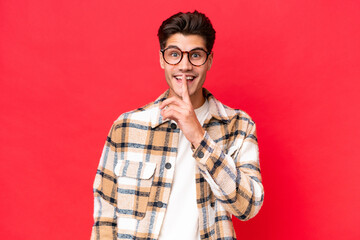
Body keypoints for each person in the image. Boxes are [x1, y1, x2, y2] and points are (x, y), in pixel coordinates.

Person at [91, 10, 264, 240]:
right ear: (162, 59)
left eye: (195, 55)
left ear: (209, 60)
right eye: (174, 54)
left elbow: (248, 206)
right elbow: (104, 219)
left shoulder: (238, 126)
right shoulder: (127, 128)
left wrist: (199, 136)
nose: (184, 66)